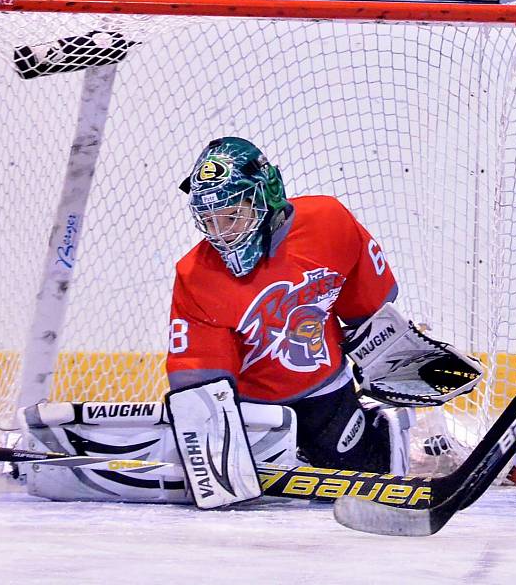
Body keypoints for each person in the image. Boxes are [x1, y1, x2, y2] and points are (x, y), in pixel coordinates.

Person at [164, 137, 481, 510]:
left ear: (267, 195)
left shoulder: (329, 224)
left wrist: (392, 359)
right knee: (253, 499)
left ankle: (401, 435)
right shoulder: (196, 274)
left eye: (232, 216)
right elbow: (201, 381)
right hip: (254, 408)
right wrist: (216, 446)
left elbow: (371, 315)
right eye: (209, 220)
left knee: (367, 470)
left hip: (325, 391)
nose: (221, 233)